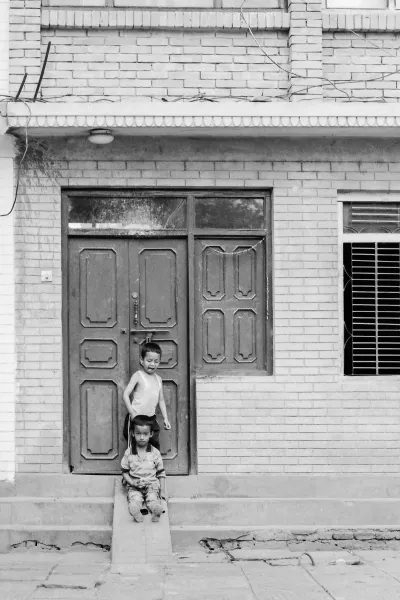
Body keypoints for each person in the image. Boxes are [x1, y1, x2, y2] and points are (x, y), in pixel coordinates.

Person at [122, 341, 171, 451]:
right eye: (149, 361)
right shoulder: (138, 376)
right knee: (134, 447)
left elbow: (161, 400)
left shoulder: (158, 379)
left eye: (156, 361)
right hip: (137, 418)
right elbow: (125, 394)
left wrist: (165, 418)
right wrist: (132, 413)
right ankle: (132, 467)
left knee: (154, 444)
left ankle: (154, 466)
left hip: (151, 419)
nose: (152, 364)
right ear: (141, 360)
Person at [121, 417, 167, 523]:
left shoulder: (155, 453)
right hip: (135, 486)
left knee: (152, 498)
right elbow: (124, 472)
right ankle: (136, 511)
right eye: (138, 434)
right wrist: (132, 482)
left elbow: (161, 473)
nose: (142, 437)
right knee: (135, 498)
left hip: (151, 485)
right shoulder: (129, 453)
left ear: (151, 434)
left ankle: (156, 510)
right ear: (132, 433)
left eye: (145, 434)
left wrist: (163, 491)